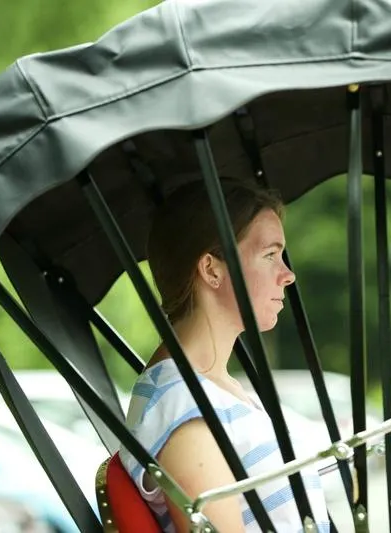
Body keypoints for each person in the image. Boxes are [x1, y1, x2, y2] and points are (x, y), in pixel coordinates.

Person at [118, 179, 330, 533]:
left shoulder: (215, 388)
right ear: (212, 269)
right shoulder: (185, 408)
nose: (288, 274)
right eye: (270, 255)